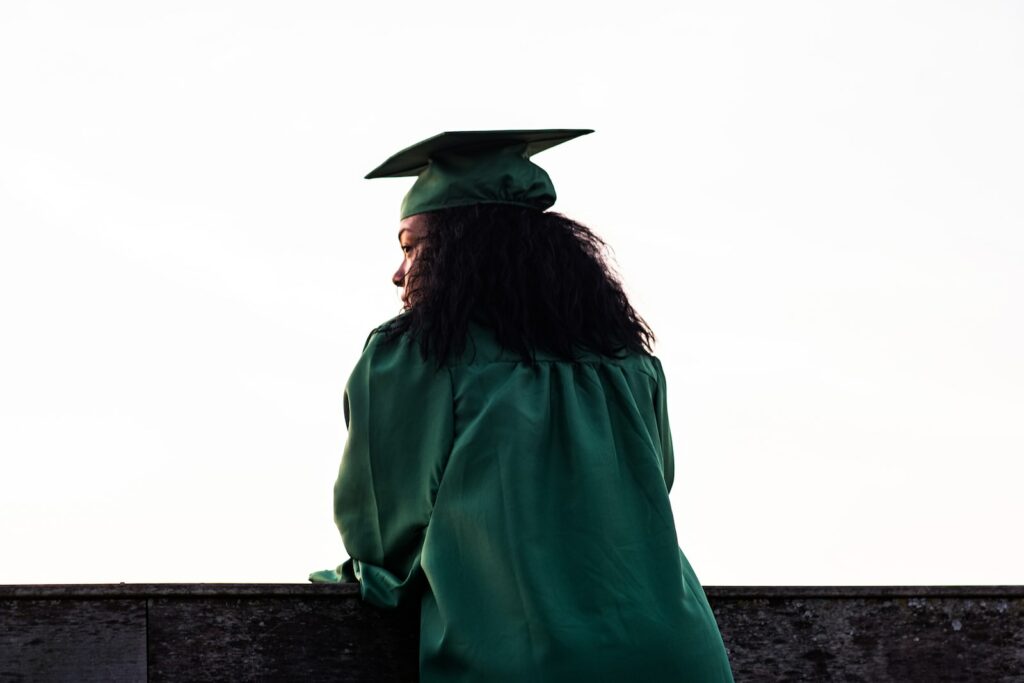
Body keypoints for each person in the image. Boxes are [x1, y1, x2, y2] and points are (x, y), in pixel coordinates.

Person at [311, 129, 735, 682]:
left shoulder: (415, 357)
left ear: (458, 254)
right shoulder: (628, 360)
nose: (398, 272)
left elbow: (382, 535)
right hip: (679, 657)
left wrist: (363, 577)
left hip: (523, 662)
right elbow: (651, 492)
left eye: (410, 247)